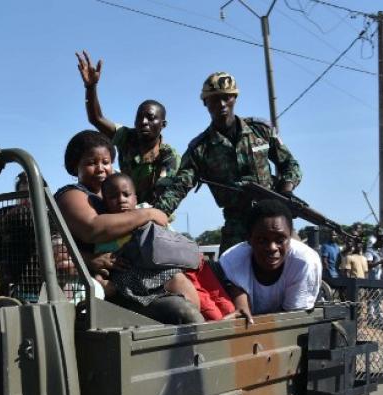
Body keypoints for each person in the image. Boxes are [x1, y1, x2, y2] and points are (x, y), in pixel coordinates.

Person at [54, 130, 200, 323]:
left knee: (183, 288)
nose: (100, 169)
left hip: (134, 271)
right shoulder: (71, 194)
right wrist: (147, 213)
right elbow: (93, 228)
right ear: (75, 166)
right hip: (103, 282)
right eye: (91, 163)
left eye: (106, 162)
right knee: (179, 311)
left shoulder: (111, 196)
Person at [154, 72, 302, 254]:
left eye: (227, 97)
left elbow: (290, 164)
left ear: (235, 98)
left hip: (273, 217)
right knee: (227, 268)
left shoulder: (260, 131)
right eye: (215, 99)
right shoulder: (200, 149)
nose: (222, 104)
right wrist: (155, 213)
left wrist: (286, 191)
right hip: (237, 225)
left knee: (302, 259)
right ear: (205, 102)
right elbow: (179, 187)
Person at [76, 51, 180, 204]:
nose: (143, 122)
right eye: (139, 117)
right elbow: (96, 118)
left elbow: (162, 195)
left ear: (163, 125)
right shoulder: (126, 137)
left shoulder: (168, 156)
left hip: (153, 211)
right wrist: (91, 87)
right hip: (124, 207)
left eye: (150, 118)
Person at [94, 173, 201, 313]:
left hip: (157, 269)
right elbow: (102, 262)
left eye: (126, 195)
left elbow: (167, 233)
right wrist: (100, 278)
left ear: (135, 198)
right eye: (113, 197)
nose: (121, 200)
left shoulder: (147, 212)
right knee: (110, 285)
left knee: (178, 278)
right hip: (127, 276)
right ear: (105, 202)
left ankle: (196, 318)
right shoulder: (106, 229)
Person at [219, 200, 321, 323]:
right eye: (262, 240)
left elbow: (293, 320)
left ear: (290, 237)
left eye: (280, 240)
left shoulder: (304, 263)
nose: (272, 248)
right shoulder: (231, 260)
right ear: (249, 239)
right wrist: (241, 307)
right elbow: (238, 293)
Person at [0, 172, 38, 297]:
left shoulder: (49, 218)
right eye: (23, 194)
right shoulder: (1, 215)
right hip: (4, 282)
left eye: (31, 194)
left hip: (36, 282)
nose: (27, 199)